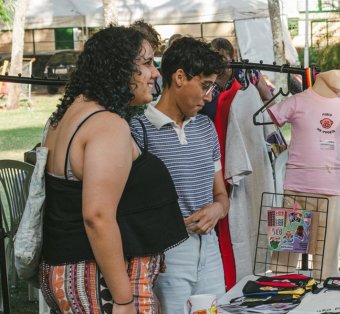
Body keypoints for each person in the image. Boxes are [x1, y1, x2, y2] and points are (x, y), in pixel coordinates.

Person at [40, 25, 188, 313]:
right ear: (118, 68)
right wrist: (122, 299)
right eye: (146, 64)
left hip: (76, 273)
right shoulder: (107, 125)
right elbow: (97, 216)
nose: (155, 73)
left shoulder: (70, 116)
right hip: (99, 281)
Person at [130, 36, 229, 313]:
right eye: (206, 85)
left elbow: (221, 195)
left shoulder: (205, 128)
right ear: (180, 77)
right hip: (166, 253)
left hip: (209, 249)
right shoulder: (138, 130)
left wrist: (217, 209)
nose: (210, 96)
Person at [267, 68, 340, 279]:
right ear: (319, 75)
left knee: (326, 265)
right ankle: (279, 299)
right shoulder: (296, 102)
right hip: (294, 191)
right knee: (282, 264)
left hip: (332, 192)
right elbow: (273, 115)